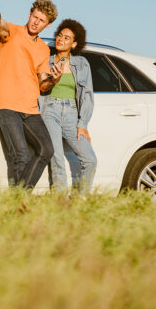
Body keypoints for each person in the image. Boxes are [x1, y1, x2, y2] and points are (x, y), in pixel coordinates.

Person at [0, 0, 57, 188]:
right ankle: (20, 205)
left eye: (41, 21)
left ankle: (19, 199)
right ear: (29, 14)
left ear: (47, 25)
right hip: (7, 105)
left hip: (30, 108)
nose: (36, 23)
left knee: (46, 150)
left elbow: (43, 84)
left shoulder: (43, 49)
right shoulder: (12, 32)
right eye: (35, 17)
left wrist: (54, 80)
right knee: (20, 155)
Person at [39, 19, 97, 192]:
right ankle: (61, 203)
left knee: (90, 159)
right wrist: (52, 79)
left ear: (74, 44)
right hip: (50, 110)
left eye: (67, 38)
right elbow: (41, 87)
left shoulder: (81, 63)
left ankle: (81, 200)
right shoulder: (46, 61)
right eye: (59, 35)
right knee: (57, 159)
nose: (61, 39)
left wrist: (83, 124)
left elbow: (87, 94)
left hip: (72, 112)